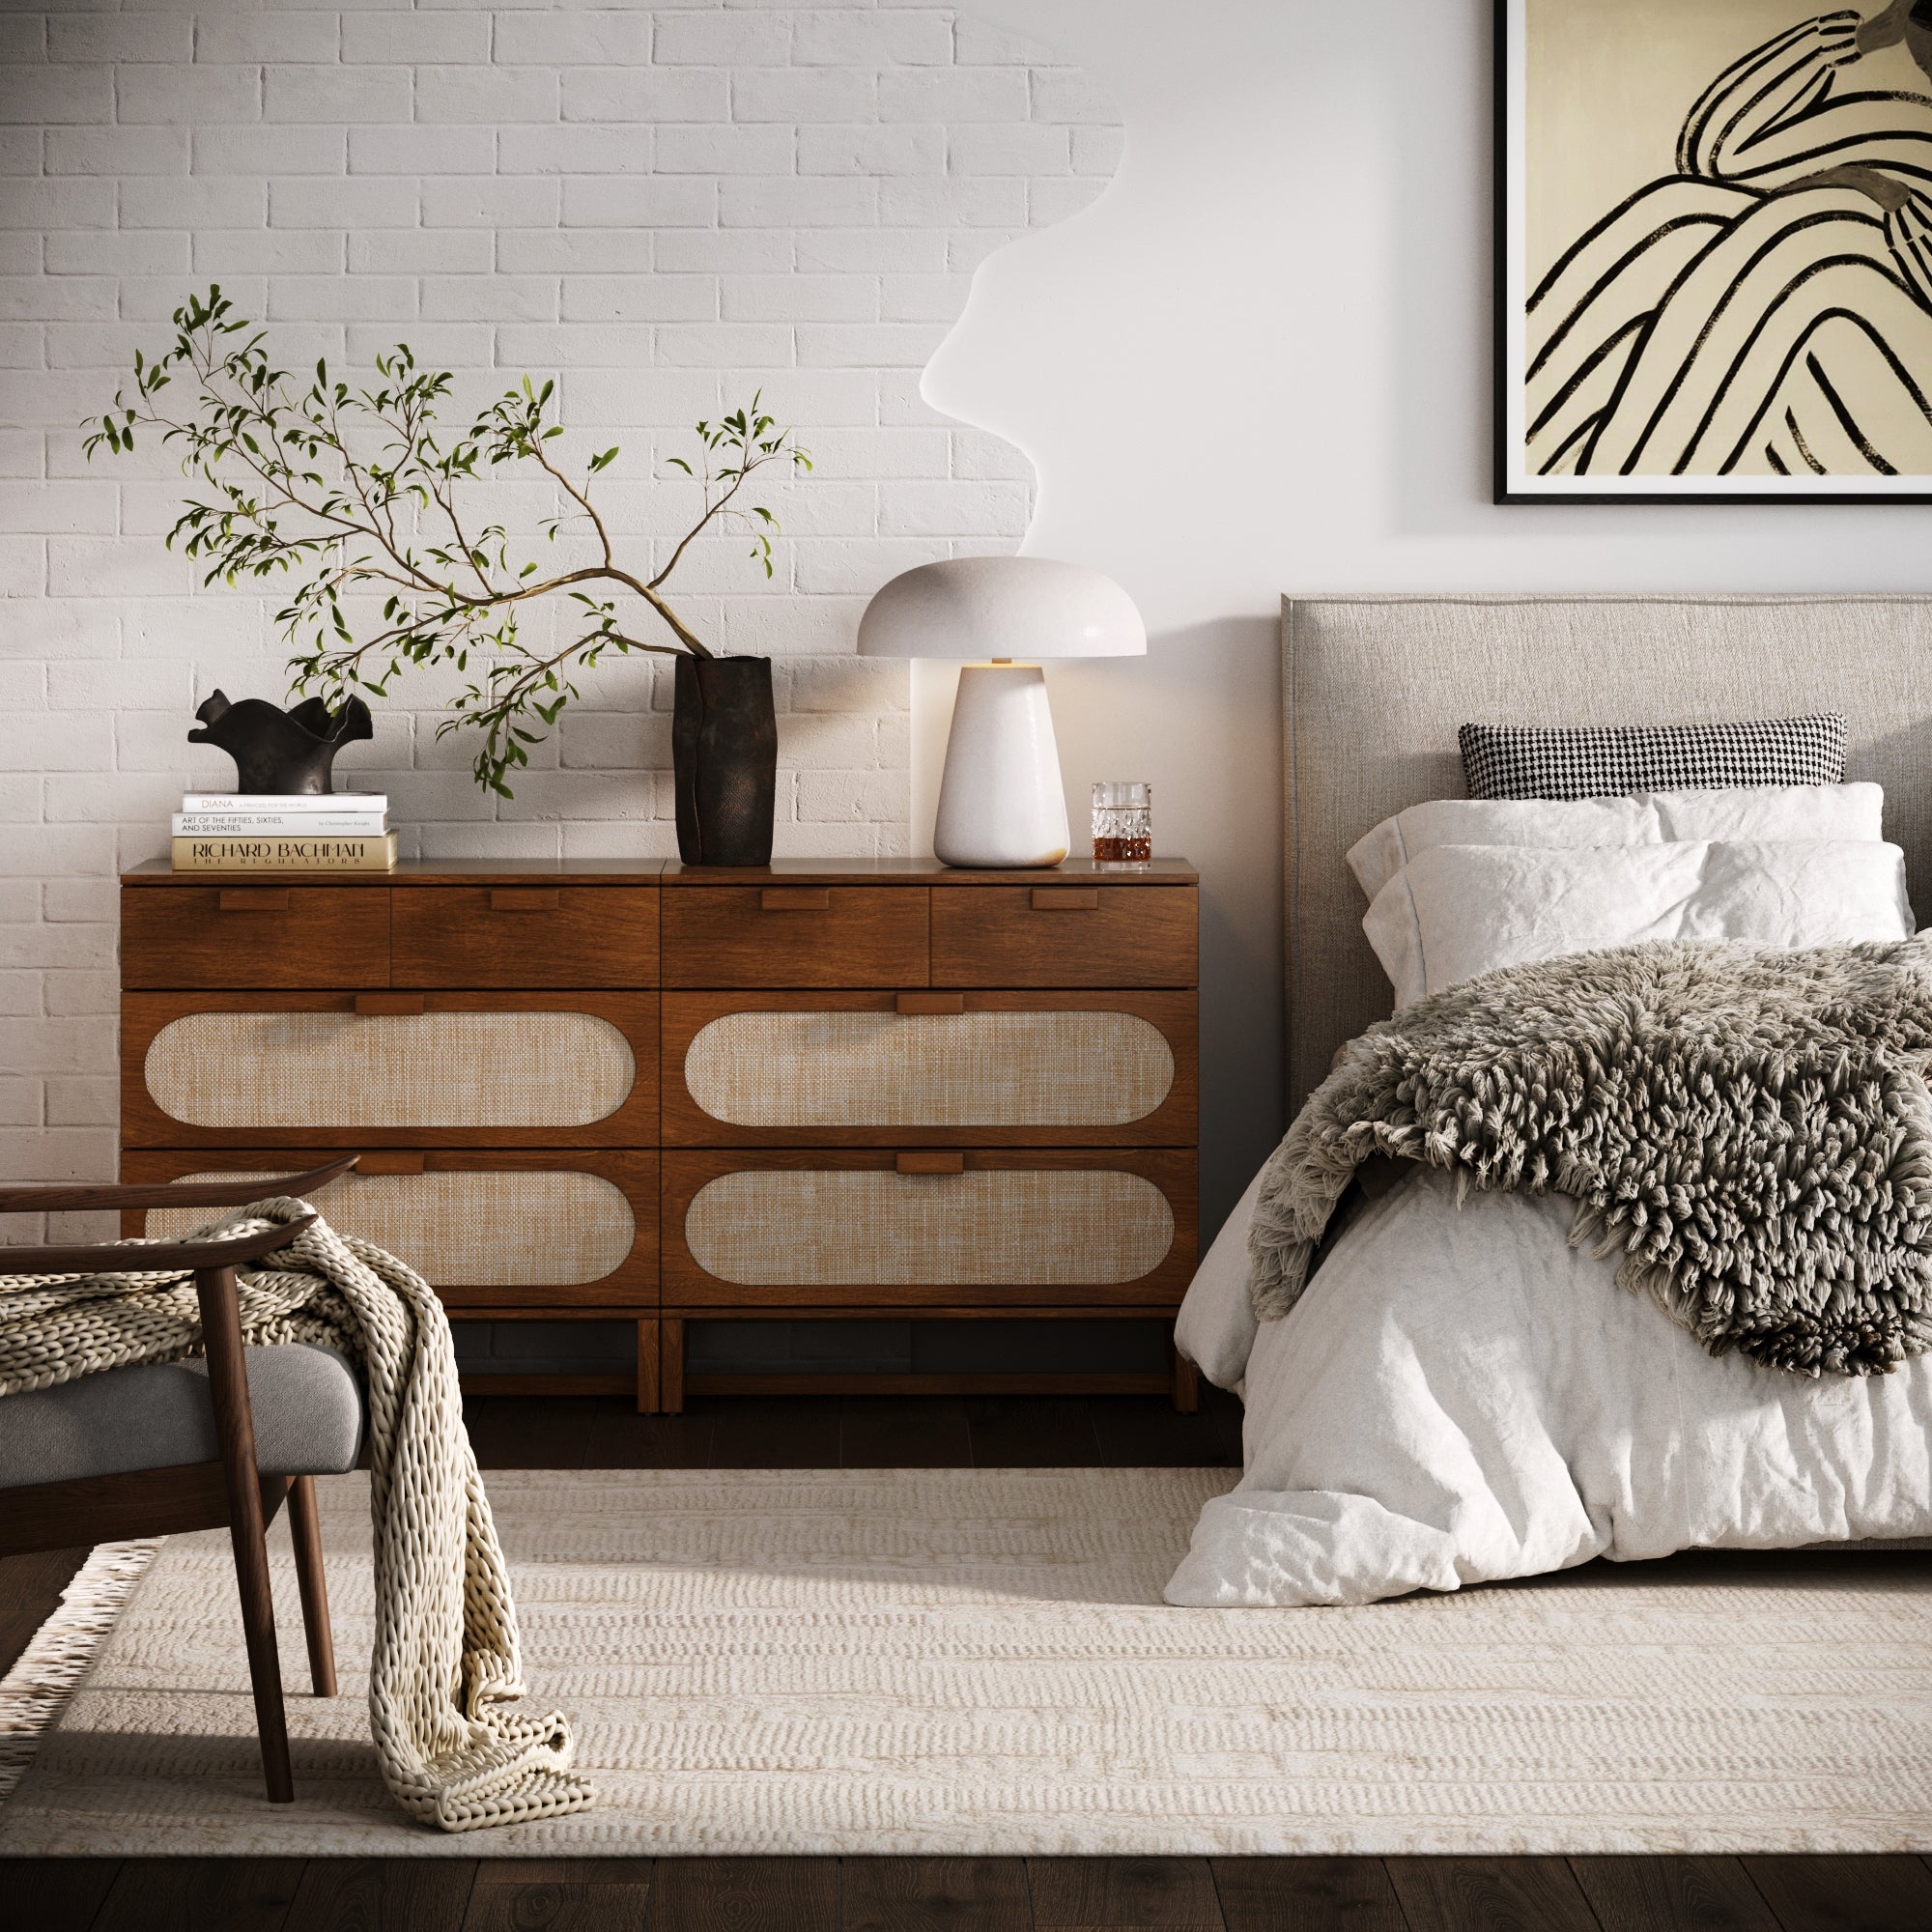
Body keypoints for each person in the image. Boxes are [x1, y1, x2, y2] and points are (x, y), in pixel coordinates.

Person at [1527, 3, 1932, 478]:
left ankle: (1638, 498)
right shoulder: (1910, 123)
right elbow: (1712, 153)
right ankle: (1528, 450)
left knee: (1817, 241)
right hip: (1862, 367)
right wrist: (1858, 42)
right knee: (1685, 211)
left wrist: (1878, 201)